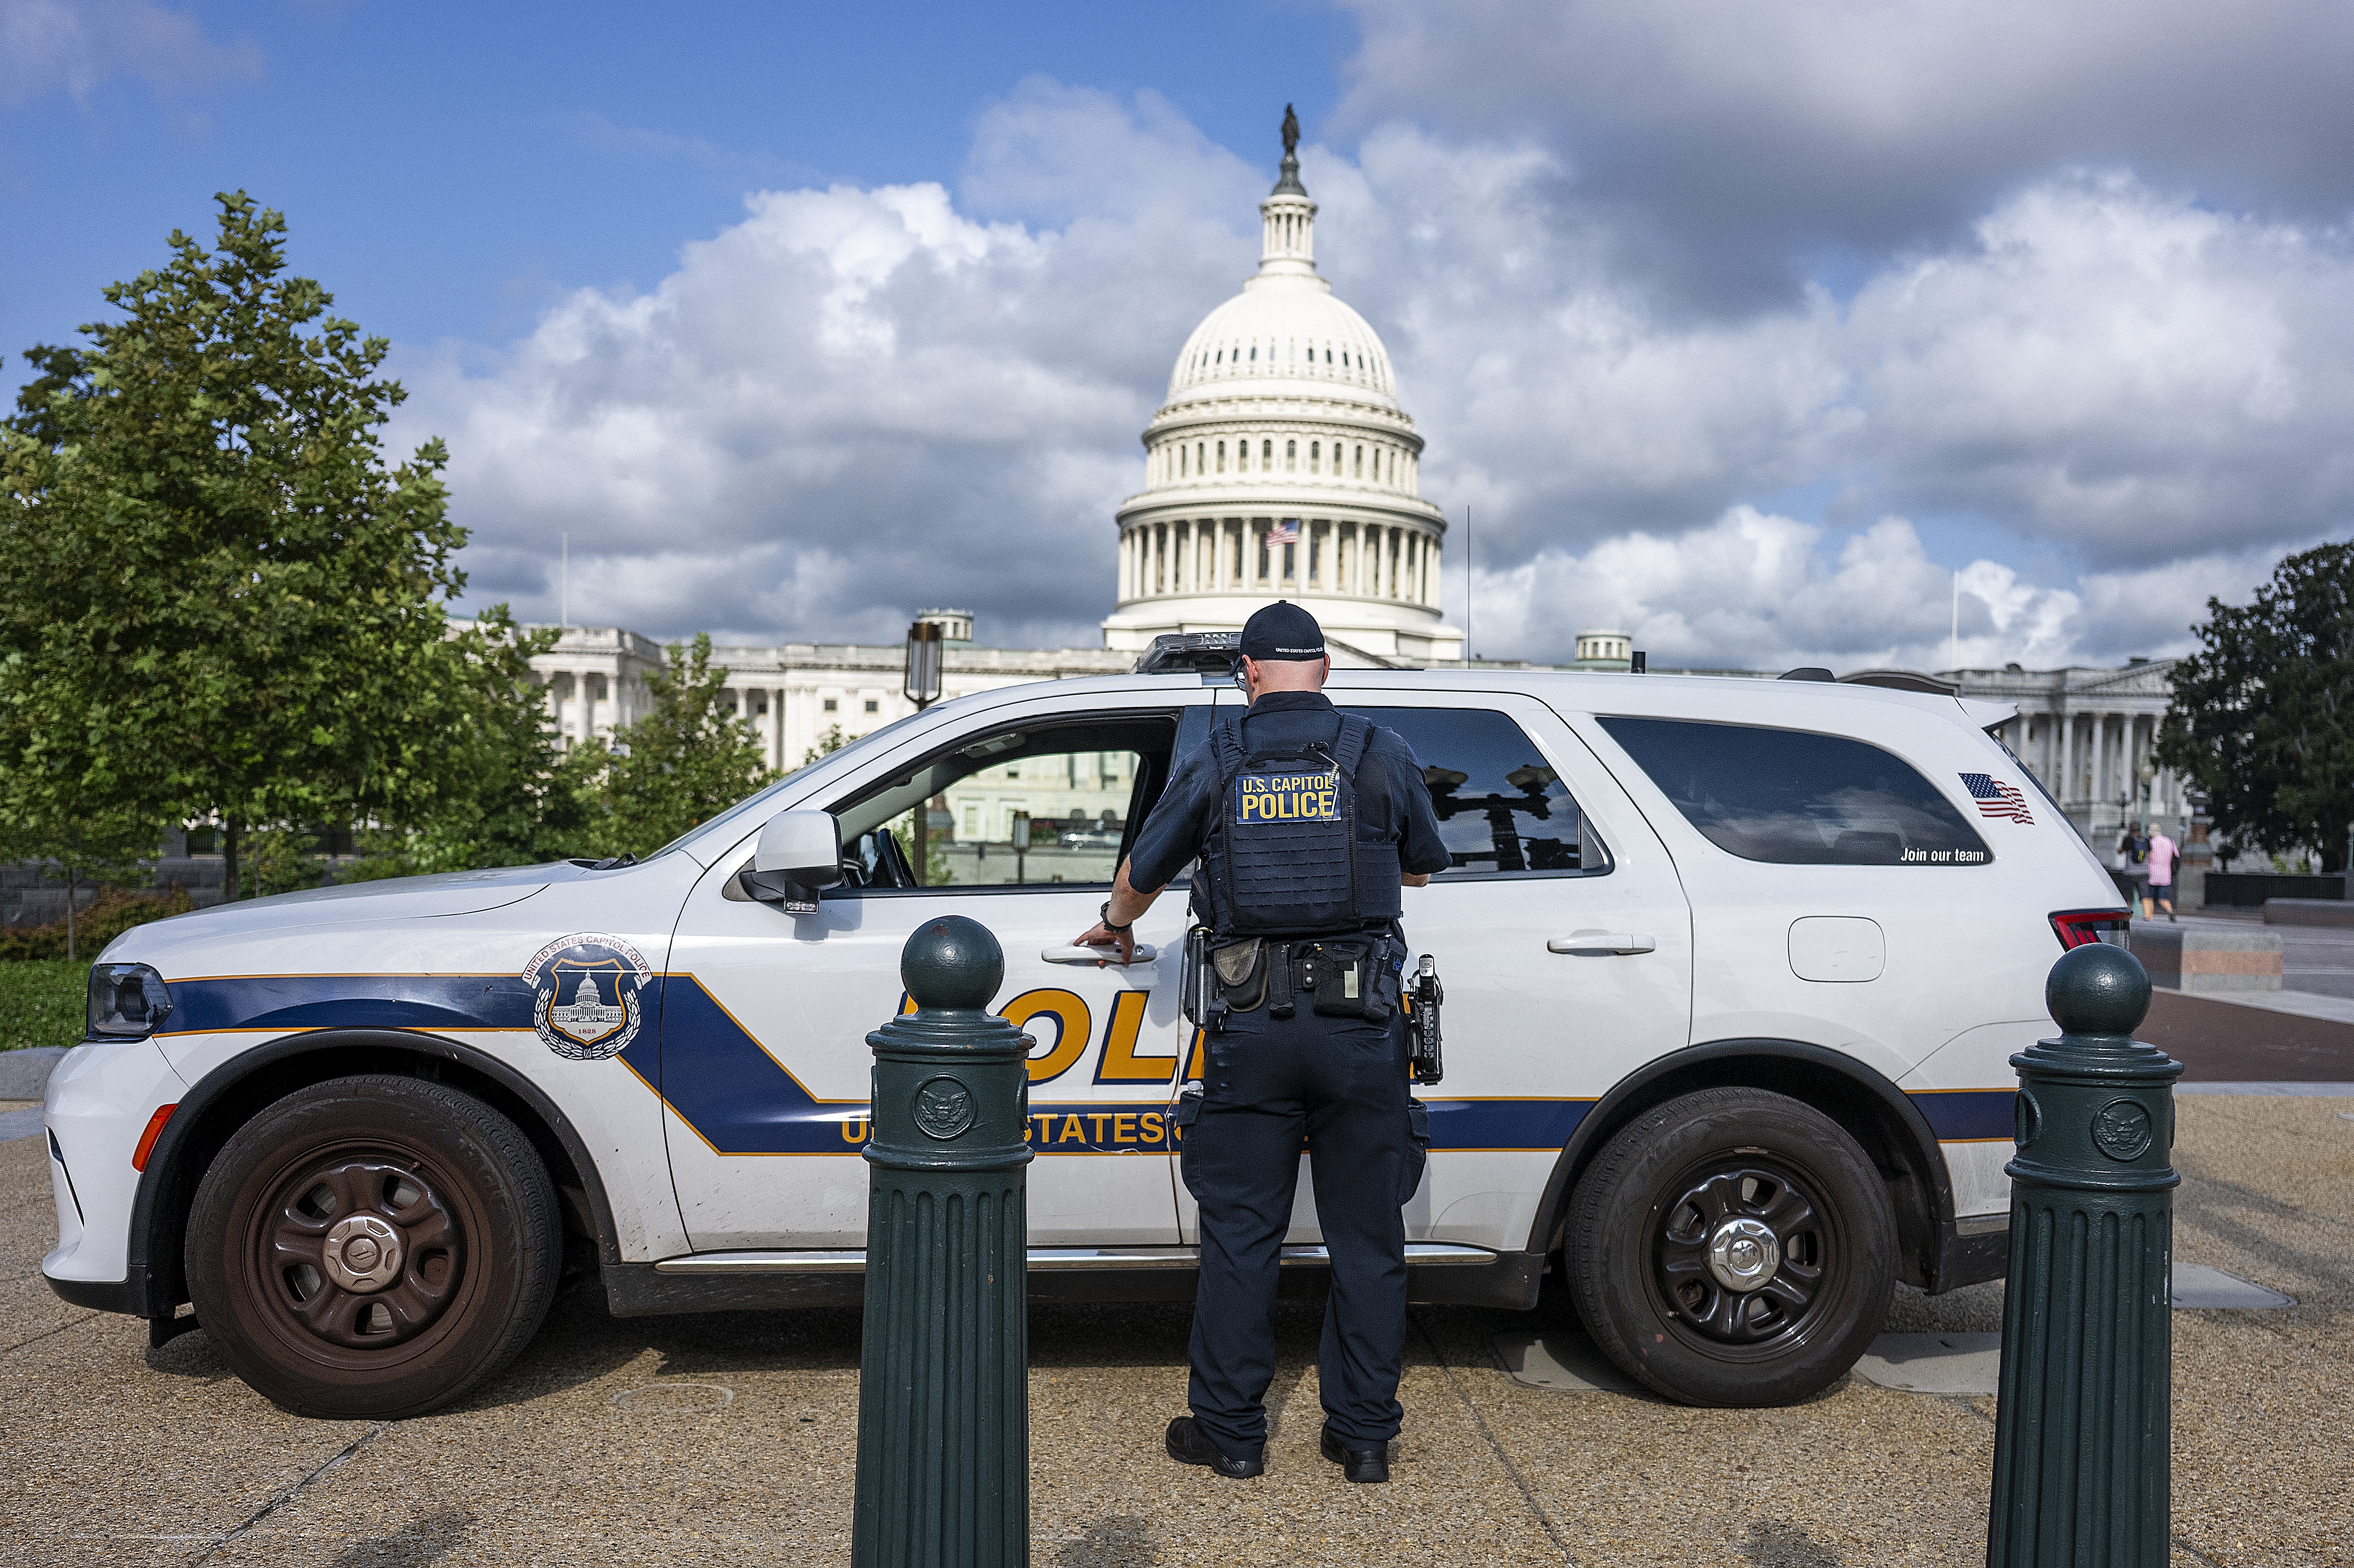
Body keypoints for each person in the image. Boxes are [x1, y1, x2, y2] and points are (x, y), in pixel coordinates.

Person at [1071, 601, 1451, 1485]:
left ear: (1248, 671)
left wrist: (1112, 924)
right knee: (1367, 1236)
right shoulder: (1378, 749)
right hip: (1361, 1024)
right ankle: (1362, 1438)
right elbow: (1421, 862)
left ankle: (1232, 1434)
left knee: (1242, 1233)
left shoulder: (1220, 757)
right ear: (1323, 666)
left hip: (1251, 1022)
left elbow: (1141, 875)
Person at [2144, 827, 2178, 921]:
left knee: (2150, 896)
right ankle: (2170, 911)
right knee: (2163, 898)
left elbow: (2149, 858)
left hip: (2152, 874)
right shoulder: (2170, 841)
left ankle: (2149, 916)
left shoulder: (2151, 843)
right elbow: (2177, 855)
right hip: (2166, 874)